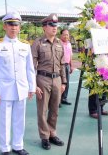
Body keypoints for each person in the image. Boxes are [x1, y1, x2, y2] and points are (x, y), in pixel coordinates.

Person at [0, 12, 36, 155]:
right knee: (5, 120)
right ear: (4, 26)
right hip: (4, 90)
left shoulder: (25, 46)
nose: (13, 28)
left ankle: (18, 146)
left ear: (20, 27)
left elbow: (30, 68)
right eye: (10, 24)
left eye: (16, 25)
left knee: (20, 119)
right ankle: (5, 148)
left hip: (21, 88)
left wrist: (31, 87)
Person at [31, 13, 67, 150]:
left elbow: (62, 64)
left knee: (55, 110)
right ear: (44, 27)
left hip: (57, 79)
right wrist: (33, 84)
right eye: (51, 25)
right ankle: (44, 136)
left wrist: (64, 82)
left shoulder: (59, 43)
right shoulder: (38, 43)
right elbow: (31, 66)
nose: (54, 28)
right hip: (42, 79)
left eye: (56, 25)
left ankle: (52, 133)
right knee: (42, 110)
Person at [60, 29, 73, 106]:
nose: (66, 36)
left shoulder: (69, 44)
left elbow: (70, 55)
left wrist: (71, 66)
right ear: (61, 35)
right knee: (60, 83)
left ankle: (64, 98)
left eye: (67, 35)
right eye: (64, 34)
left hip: (67, 65)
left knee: (66, 83)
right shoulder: (58, 43)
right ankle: (57, 100)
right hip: (60, 65)